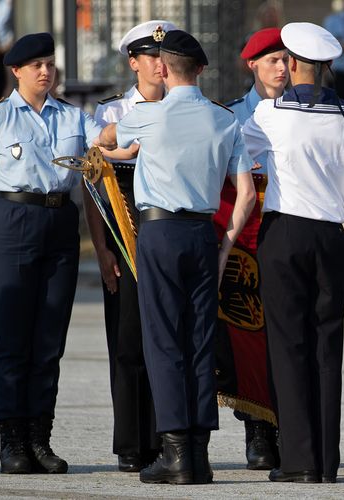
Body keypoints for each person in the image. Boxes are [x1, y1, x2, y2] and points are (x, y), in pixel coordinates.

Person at [97, 29, 256, 486]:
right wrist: (225, 243)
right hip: (204, 234)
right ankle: (201, 452)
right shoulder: (226, 121)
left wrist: (108, 138)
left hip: (160, 232)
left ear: (162, 69)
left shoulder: (148, 116)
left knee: (163, 340)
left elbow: (110, 138)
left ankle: (176, 454)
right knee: (200, 340)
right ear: (202, 70)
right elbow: (244, 195)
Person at [0, 32, 104, 475]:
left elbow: (108, 142)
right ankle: (11, 440)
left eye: (49, 63)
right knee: (14, 337)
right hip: (11, 221)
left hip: (59, 224)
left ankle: (40, 439)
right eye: (35, 64)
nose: (45, 71)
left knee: (49, 339)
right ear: (16, 71)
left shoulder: (72, 117)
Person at [242, 22, 344, 483]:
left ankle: (298, 461)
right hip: (330, 236)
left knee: (288, 346)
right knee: (327, 348)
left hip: (284, 232)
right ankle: (326, 461)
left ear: (294, 63)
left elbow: (236, 156)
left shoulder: (268, 114)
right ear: (327, 66)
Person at [88, 19, 177, 473]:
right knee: (126, 340)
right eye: (150, 57)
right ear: (133, 63)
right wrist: (101, 249)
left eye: (165, 57)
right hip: (123, 234)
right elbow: (93, 187)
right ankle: (130, 442)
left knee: (168, 339)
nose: (159, 65)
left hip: (170, 229)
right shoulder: (110, 115)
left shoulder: (184, 108)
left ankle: (169, 437)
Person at [220, 27, 288, 471]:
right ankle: (257, 429)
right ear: (252, 65)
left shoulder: (306, 109)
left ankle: (289, 426)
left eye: (286, 60)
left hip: (288, 232)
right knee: (246, 333)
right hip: (244, 237)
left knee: (287, 332)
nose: (282, 69)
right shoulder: (229, 117)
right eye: (272, 61)